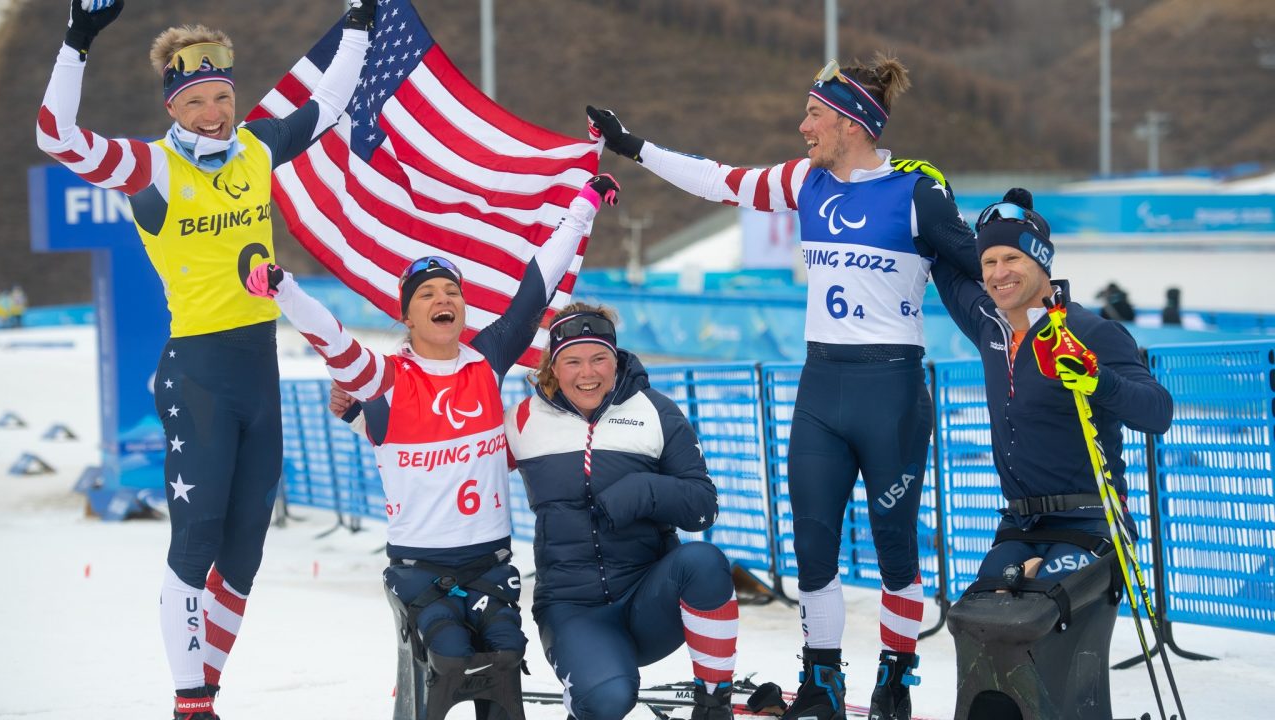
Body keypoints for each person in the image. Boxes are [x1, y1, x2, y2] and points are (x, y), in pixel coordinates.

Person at [587, 53, 981, 720]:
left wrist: (1045, 311)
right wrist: (633, 147)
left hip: (892, 392)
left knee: (895, 548)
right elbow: (721, 182)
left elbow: (985, 272)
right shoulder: (807, 181)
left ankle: (896, 679)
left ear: (854, 123)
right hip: (822, 388)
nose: (803, 127)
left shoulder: (916, 193)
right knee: (813, 545)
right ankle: (821, 681)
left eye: (815, 116)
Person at [35, 1, 376, 717]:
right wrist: (77, 41)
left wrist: (357, 25)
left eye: (223, 97)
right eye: (198, 102)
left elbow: (328, 104)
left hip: (260, 369)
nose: (215, 113)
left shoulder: (254, 149)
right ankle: (190, 699)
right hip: (198, 374)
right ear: (174, 105)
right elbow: (55, 136)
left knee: (245, 555)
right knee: (197, 542)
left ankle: (207, 690)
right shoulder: (149, 167)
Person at [251, 175, 621, 714]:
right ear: (407, 315)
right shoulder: (383, 377)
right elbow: (333, 341)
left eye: (452, 292)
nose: (442, 299)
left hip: (491, 562)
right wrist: (285, 288)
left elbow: (535, 288)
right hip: (420, 569)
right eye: (427, 294)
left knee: (504, 656)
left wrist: (583, 208)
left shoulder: (485, 361)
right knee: (449, 660)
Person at [503, 303, 739, 720]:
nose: (588, 373)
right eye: (572, 361)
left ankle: (713, 705)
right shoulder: (522, 420)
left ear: (617, 359)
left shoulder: (655, 411)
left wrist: (643, 490)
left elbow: (704, 508)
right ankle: (592, 688)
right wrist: (366, 416)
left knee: (704, 561)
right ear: (553, 367)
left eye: (599, 358)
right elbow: (451, 459)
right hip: (574, 609)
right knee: (608, 699)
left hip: (649, 598)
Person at [931, 188, 1173, 587]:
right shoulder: (988, 325)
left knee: (1038, 609)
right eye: (988, 261)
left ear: (1042, 260)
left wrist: (1098, 380)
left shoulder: (1090, 331)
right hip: (1021, 523)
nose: (998, 273)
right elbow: (944, 261)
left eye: (1012, 258)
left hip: (1092, 517)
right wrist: (931, 196)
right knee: (980, 618)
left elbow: (1158, 413)